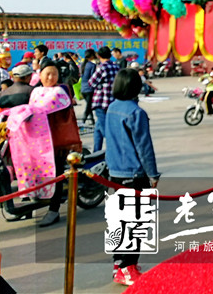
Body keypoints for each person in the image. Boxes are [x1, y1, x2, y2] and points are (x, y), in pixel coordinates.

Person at [105, 68, 160, 286]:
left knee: (121, 220)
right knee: (135, 221)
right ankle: (127, 268)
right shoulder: (136, 113)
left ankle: (119, 264)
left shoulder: (111, 108)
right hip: (134, 174)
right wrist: (153, 174)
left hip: (115, 173)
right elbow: (144, 148)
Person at [0, 64, 72, 226]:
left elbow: (40, 109)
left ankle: (54, 210)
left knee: (56, 174)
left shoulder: (60, 91)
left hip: (55, 139)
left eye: (54, 74)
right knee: (33, 172)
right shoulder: (36, 91)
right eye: (47, 74)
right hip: (33, 142)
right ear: (39, 75)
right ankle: (29, 208)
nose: (50, 77)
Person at [88, 46, 119, 150]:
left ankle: (114, 150)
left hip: (101, 101)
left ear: (99, 56)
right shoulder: (116, 66)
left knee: (105, 129)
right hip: (112, 101)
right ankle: (96, 151)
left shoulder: (102, 67)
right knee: (98, 128)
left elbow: (91, 83)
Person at [80, 49, 98, 124]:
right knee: (89, 106)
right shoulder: (92, 65)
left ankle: (92, 120)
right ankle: (83, 120)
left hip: (83, 88)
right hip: (89, 88)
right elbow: (93, 77)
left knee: (88, 105)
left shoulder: (83, 65)